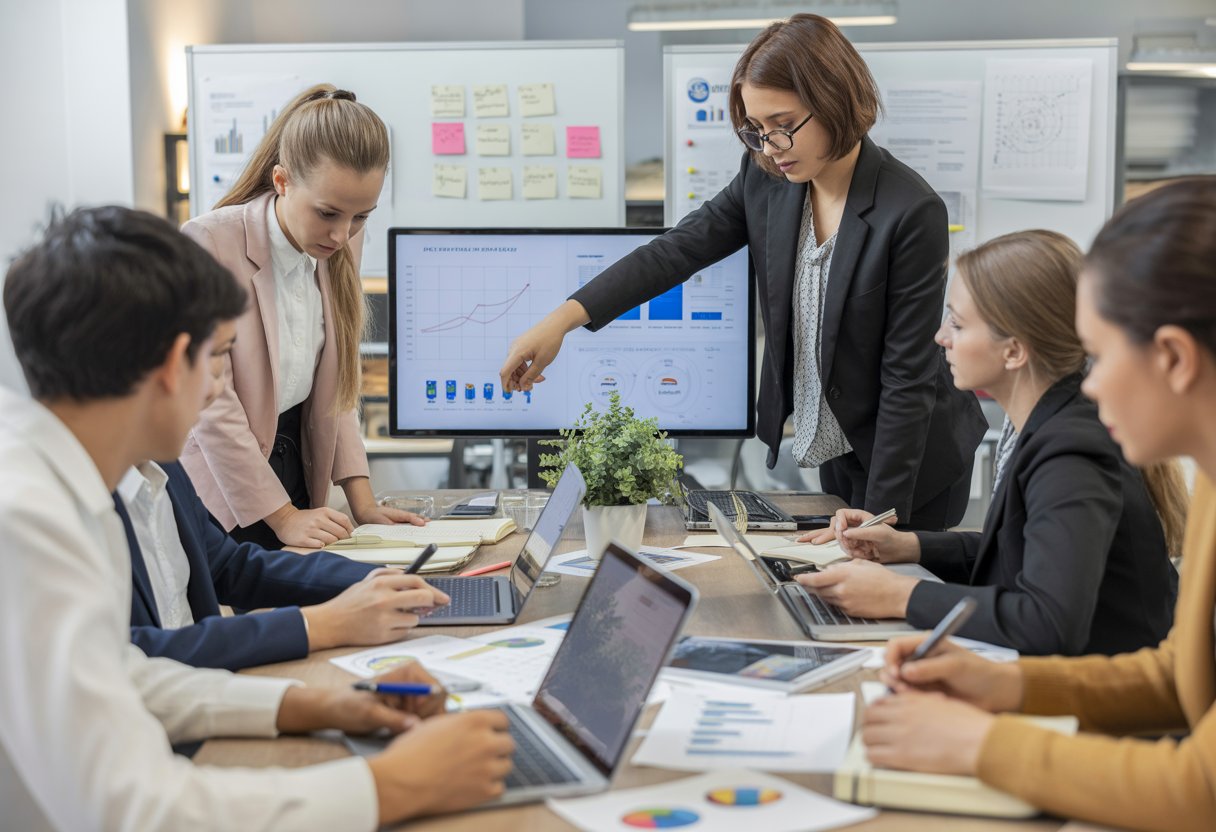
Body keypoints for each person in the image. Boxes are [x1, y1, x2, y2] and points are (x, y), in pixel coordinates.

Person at [0, 205, 512, 830]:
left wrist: (331, 703)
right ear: (171, 365)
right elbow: (132, 810)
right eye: (219, 358)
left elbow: (127, 677)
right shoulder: (25, 520)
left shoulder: (71, 480)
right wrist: (390, 784)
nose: (219, 389)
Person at [499, 14, 986, 531]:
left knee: (882, 594)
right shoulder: (768, 180)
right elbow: (676, 250)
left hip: (912, 460)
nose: (770, 147)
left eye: (783, 125)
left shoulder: (909, 211)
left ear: (836, 101)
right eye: (756, 130)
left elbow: (905, 378)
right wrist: (561, 321)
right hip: (840, 446)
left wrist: (879, 522)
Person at [861, 177, 1216, 830]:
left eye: (1102, 356)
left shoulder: (1074, 434)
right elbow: (1178, 679)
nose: (1092, 382)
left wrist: (978, 743)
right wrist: (1005, 686)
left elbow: (1201, 789)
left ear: (1172, 358)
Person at [795, 230, 1182, 655]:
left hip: (1105, 706)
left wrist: (901, 596)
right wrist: (910, 546)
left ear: (1014, 352)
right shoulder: (1041, 424)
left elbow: (1048, 622)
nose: (941, 337)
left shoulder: (1071, 453)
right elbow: (1025, 552)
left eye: (958, 324)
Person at [181, 84, 419, 549]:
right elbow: (211, 404)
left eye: (361, 217)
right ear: (282, 181)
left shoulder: (338, 237)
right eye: (328, 213)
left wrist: (361, 500)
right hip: (228, 490)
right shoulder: (210, 243)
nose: (342, 234)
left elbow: (338, 388)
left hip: (298, 472)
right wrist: (284, 516)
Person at [120, 456, 451, 671]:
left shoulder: (167, 470)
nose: (214, 392)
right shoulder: (79, 511)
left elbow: (231, 566)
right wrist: (320, 624)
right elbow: (133, 654)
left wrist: (374, 578)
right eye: (216, 358)